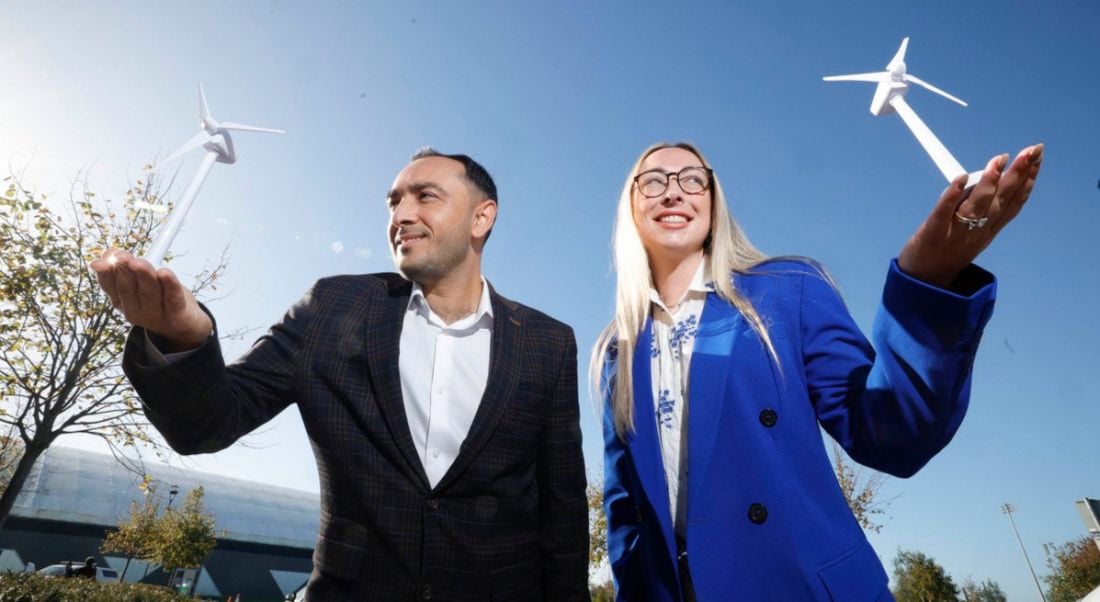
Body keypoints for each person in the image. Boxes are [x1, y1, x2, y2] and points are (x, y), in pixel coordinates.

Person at [91, 149, 589, 600]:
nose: (402, 215)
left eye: (425, 197)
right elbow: (208, 424)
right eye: (393, 202)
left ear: (482, 217)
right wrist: (184, 337)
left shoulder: (547, 342)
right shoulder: (331, 308)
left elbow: (562, 508)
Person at [594, 142, 1042, 600]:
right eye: (653, 181)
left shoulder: (788, 290)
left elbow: (892, 435)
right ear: (631, 205)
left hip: (802, 586)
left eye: (692, 179)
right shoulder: (617, 351)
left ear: (713, 201)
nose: (673, 192)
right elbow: (625, 514)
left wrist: (928, 280)